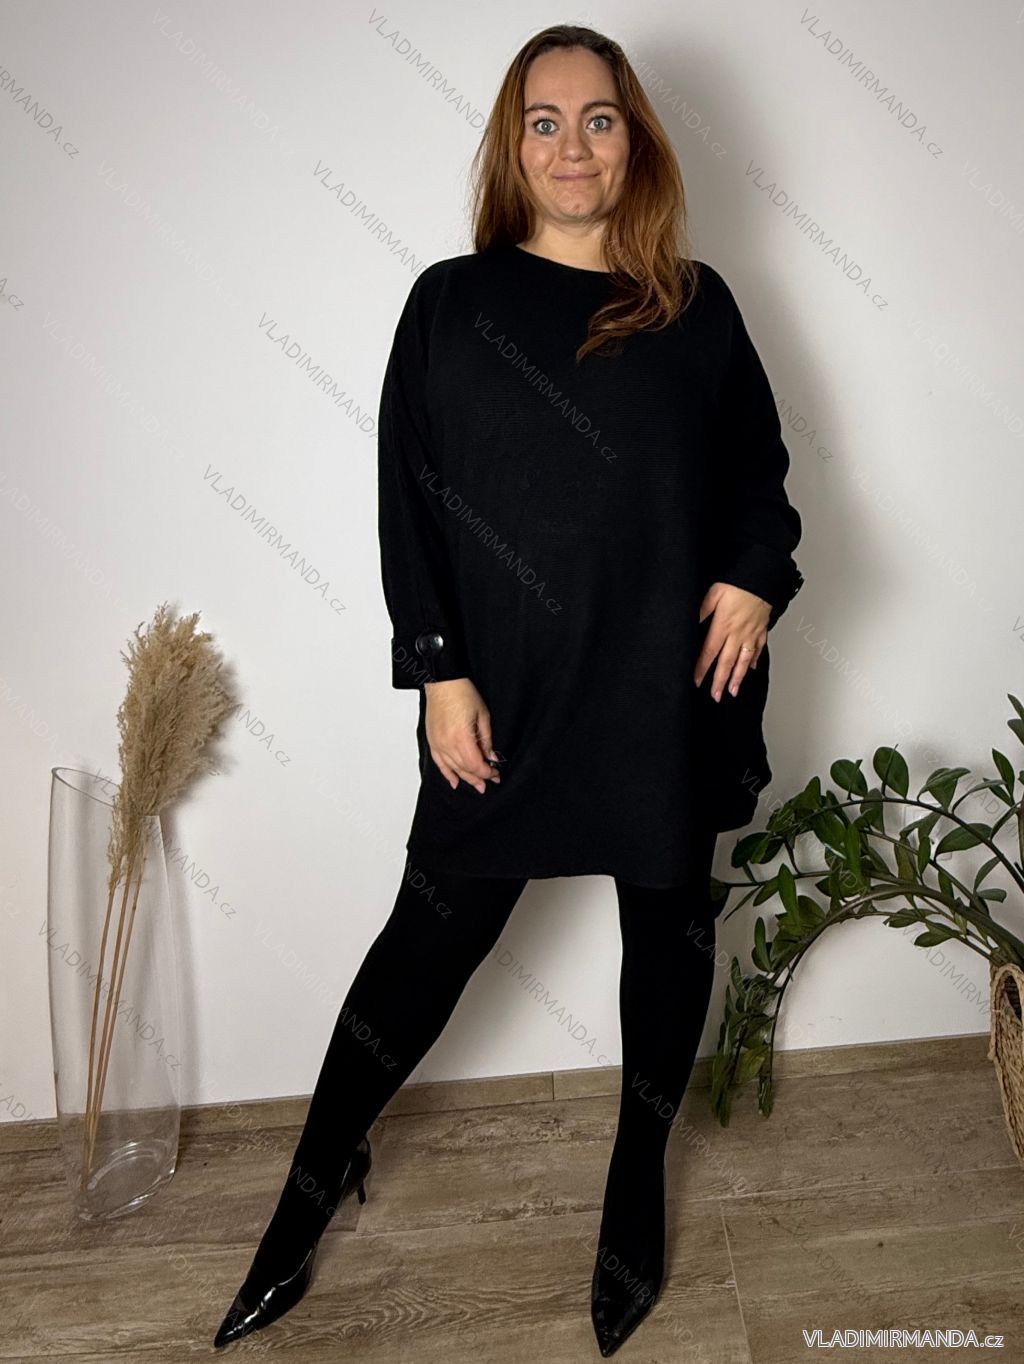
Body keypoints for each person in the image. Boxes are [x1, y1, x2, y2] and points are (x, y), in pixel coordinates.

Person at [214, 22, 804, 1359]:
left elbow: (760, 478)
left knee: (667, 930)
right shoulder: (451, 303)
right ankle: (310, 1187)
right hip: (505, 695)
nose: (573, 144)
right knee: (425, 948)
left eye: (600, 118)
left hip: (664, 688)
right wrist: (439, 671)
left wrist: (757, 576)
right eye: (545, 120)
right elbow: (408, 502)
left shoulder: (695, 305)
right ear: (511, 145)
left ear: (635, 140)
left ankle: (633, 1188)